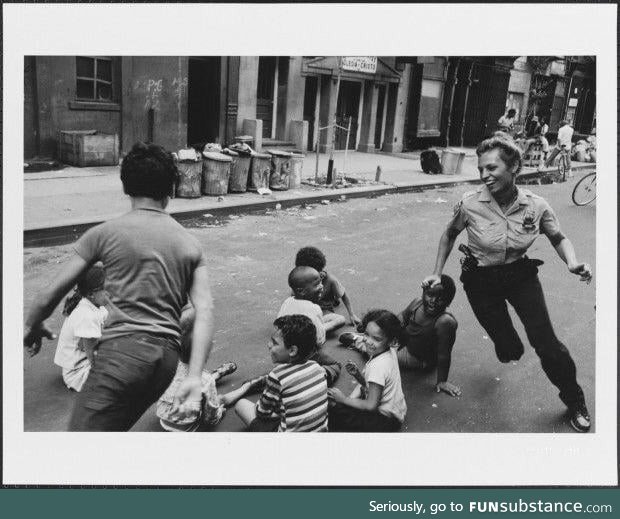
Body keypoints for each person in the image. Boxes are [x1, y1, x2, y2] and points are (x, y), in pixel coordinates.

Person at [24, 142, 215, 431]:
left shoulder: (103, 234)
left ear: (125, 188)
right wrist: (193, 376)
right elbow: (205, 312)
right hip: (165, 362)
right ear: (172, 190)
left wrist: (34, 322)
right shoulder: (191, 244)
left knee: (81, 445)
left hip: (123, 355)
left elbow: (48, 295)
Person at [423, 135, 593, 433]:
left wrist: (572, 262)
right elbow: (449, 235)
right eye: (481, 170)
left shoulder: (536, 206)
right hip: (480, 281)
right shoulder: (470, 204)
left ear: (514, 166)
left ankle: (574, 399)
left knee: (547, 344)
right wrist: (437, 272)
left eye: (492, 168)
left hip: (519, 276)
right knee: (511, 349)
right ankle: (506, 343)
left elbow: (558, 238)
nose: (484, 176)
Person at [234, 315, 329, 432]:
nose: (269, 345)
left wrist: (262, 405)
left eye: (274, 343)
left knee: (241, 404)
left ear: (292, 350)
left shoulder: (277, 375)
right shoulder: (317, 367)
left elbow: (262, 413)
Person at [328, 309, 407, 432]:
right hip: (396, 410)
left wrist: (343, 399)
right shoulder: (390, 351)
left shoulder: (378, 366)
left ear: (392, 341)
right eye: (366, 334)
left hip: (385, 422)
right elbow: (373, 384)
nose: (367, 341)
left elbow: (371, 406)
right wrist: (358, 376)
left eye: (376, 339)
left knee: (334, 410)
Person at [277, 266, 342, 385]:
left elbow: (278, 324)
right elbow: (318, 339)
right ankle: (315, 378)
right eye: (317, 284)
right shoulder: (314, 308)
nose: (322, 286)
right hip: (304, 353)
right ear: (302, 291)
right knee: (335, 365)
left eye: (321, 282)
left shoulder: (288, 301)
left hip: (286, 349)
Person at [54, 263, 109, 392]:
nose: (113, 292)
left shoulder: (96, 306)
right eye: (107, 289)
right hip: (78, 372)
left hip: (87, 361)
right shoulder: (86, 315)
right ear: (91, 294)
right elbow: (92, 355)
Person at [295, 246, 361, 327]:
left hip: (323, 309)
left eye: (319, 271)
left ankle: (318, 330)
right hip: (308, 309)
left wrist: (352, 315)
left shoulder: (330, 279)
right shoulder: (300, 280)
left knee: (340, 320)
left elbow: (344, 295)